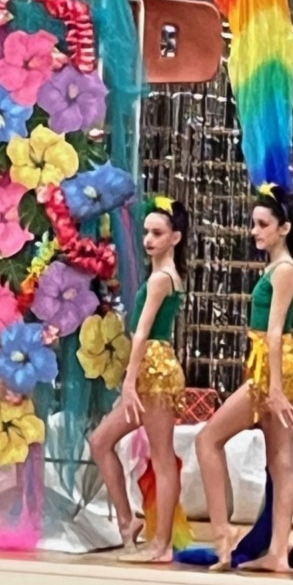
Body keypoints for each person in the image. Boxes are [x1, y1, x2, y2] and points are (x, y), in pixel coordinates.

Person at [195, 183, 293, 572]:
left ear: (284, 228)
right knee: (279, 462)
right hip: (271, 365)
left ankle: (224, 534)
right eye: (254, 224)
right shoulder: (279, 267)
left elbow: (275, 333)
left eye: (263, 224)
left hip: (273, 368)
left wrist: (275, 389)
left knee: (208, 439)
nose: (255, 231)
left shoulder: (284, 270)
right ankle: (277, 552)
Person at [89, 196, 189, 564]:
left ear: (175, 238)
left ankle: (162, 543)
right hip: (150, 366)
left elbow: (143, 331)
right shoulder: (161, 274)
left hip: (155, 368)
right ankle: (127, 520)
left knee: (161, 456)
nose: (148, 239)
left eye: (157, 233)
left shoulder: (163, 278)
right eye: (146, 232)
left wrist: (129, 381)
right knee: (101, 441)